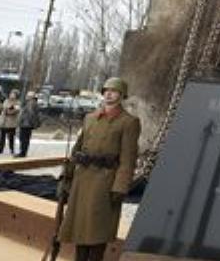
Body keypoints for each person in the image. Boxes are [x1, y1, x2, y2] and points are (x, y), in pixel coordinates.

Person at [57, 77, 141, 261]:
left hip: (105, 181)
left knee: (98, 229)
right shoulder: (90, 118)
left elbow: (128, 159)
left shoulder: (129, 122)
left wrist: (120, 186)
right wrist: (66, 174)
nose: (109, 93)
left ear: (122, 95)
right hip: (83, 179)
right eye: (106, 90)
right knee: (80, 226)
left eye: (114, 90)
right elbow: (77, 149)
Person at [16, 91, 41, 158]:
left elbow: (31, 114)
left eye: (28, 96)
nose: (26, 97)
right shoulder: (31, 103)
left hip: (26, 124)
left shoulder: (31, 103)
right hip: (26, 123)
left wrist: (24, 120)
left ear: (31, 97)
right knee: (24, 139)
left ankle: (22, 152)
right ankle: (23, 152)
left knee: (24, 139)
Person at [0, 89, 21, 154]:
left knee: (11, 137)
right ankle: (0, 149)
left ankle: (12, 149)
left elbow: (16, 110)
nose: (11, 95)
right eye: (11, 94)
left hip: (12, 122)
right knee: (2, 136)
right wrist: (8, 109)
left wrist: (10, 110)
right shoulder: (6, 101)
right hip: (4, 121)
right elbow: (4, 108)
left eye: (13, 94)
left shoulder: (18, 102)